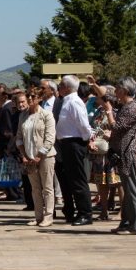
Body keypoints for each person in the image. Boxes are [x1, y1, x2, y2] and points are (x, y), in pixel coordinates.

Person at [55, 75, 94, 226]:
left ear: (67, 87)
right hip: (67, 144)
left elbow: (83, 124)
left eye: (61, 85)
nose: (59, 87)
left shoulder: (74, 101)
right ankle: (78, 211)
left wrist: (86, 139)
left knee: (78, 179)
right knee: (71, 179)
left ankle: (85, 213)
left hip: (74, 143)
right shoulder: (67, 100)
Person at [108, 78, 136, 235]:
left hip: (129, 154)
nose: (115, 91)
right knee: (127, 191)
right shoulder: (125, 105)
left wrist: (109, 112)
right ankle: (126, 223)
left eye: (117, 88)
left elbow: (117, 127)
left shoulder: (133, 107)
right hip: (122, 153)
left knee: (132, 190)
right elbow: (105, 96)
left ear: (124, 90)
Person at [15, 89, 56, 227]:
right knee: (35, 188)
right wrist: (24, 155)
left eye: (33, 96)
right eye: (28, 96)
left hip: (46, 157)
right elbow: (19, 137)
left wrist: (39, 156)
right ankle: (38, 216)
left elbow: (50, 138)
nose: (30, 98)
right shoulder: (23, 116)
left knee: (47, 187)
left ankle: (49, 216)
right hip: (29, 157)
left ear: (39, 98)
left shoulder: (46, 115)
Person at [89, 90, 122, 221]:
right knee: (101, 182)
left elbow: (121, 129)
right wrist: (91, 140)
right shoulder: (99, 112)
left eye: (99, 97)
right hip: (99, 154)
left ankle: (122, 211)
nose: (96, 99)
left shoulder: (117, 112)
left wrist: (112, 135)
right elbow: (93, 128)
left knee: (118, 182)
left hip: (112, 152)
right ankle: (104, 211)